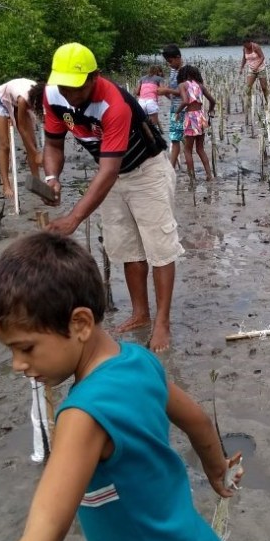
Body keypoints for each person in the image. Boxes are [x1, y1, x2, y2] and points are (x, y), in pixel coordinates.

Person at [0, 231, 241, 541]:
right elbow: (199, 422)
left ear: (80, 323)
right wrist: (216, 470)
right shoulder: (137, 360)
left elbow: (46, 532)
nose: (16, 364)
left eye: (26, 348)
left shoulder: (83, 416)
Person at [40, 42, 179, 353]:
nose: (69, 95)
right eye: (63, 86)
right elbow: (53, 145)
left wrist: (74, 217)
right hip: (111, 175)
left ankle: (162, 322)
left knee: (160, 246)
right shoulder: (53, 95)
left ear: (95, 77)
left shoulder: (112, 102)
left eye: (76, 88)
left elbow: (110, 169)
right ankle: (141, 313)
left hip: (146, 170)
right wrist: (52, 178)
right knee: (127, 247)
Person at [0, 78, 43, 200]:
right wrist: (37, 154)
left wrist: (37, 151)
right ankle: (6, 185)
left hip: (18, 101)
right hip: (2, 101)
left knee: (31, 143)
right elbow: (22, 129)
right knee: (5, 145)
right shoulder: (23, 100)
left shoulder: (44, 96)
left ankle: (36, 182)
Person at [177, 64, 217, 181]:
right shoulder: (200, 86)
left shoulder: (182, 85)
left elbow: (185, 101)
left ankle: (192, 178)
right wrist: (210, 109)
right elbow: (212, 101)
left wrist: (177, 112)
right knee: (200, 149)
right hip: (201, 116)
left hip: (191, 117)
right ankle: (209, 175)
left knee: (187, 150)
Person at [134, 64, 165, 128]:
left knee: (143, 124)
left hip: (141, 102)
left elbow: (137, 92)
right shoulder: (159, 78)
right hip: (151, 101)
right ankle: (155, 136)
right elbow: (162, 91)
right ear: (157, 71)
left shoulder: (142, 78)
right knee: (153, 126)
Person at [239, 37, 269, 103]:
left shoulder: (256, 47)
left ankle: (268, 101)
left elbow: (262, 57)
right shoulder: (244, 48)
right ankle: (249, 103)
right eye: (243, 45)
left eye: (246, 45)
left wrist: (257, 66)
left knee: (264, 87)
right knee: (248, 88)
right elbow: (244, 58)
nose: (245, 47)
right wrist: (241, 68)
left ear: (249, 42)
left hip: (261, 69)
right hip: (252, 70)